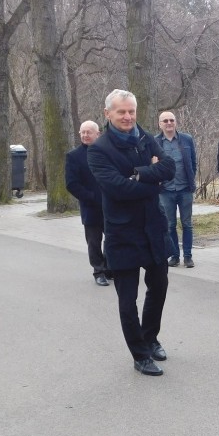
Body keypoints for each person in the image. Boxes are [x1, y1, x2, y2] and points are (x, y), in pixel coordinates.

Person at [88, 89, 176, 376]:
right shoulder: (99, 149)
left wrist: (139, 174)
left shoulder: (145, 137)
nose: (127, 117)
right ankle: (139, 355)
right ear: (108, 114)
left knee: (159, 288)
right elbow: (117, 188)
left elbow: (169, 167)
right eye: (121, 112)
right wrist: (153, 180)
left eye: (131, 111)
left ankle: (150, 339)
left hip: (153, 228)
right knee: (127, 300)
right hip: (122, 234)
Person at [65, 120, 109, 286]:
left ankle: (109, 267)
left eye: (89, 132)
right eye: (82, 132)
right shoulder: (74, 156)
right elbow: (71, 184)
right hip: (90, 207)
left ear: (97, 134)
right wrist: (90, 197)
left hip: (110, 204)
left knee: (112, 238)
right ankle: (99, 271)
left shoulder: (107, 152)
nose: (85, 135)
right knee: (94, 241)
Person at [155, 111, 197, 268]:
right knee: (170, 224)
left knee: (187, 223)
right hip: (165, 190)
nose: (168, 123)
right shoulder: (155, 142)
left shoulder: (187, 139)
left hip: (185, 189)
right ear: (160, 124)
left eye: (171, 120)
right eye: (165, 120)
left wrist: (191, 179)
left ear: (175, 122)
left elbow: (193, 162)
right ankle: (174, 255)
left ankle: (188, 256)